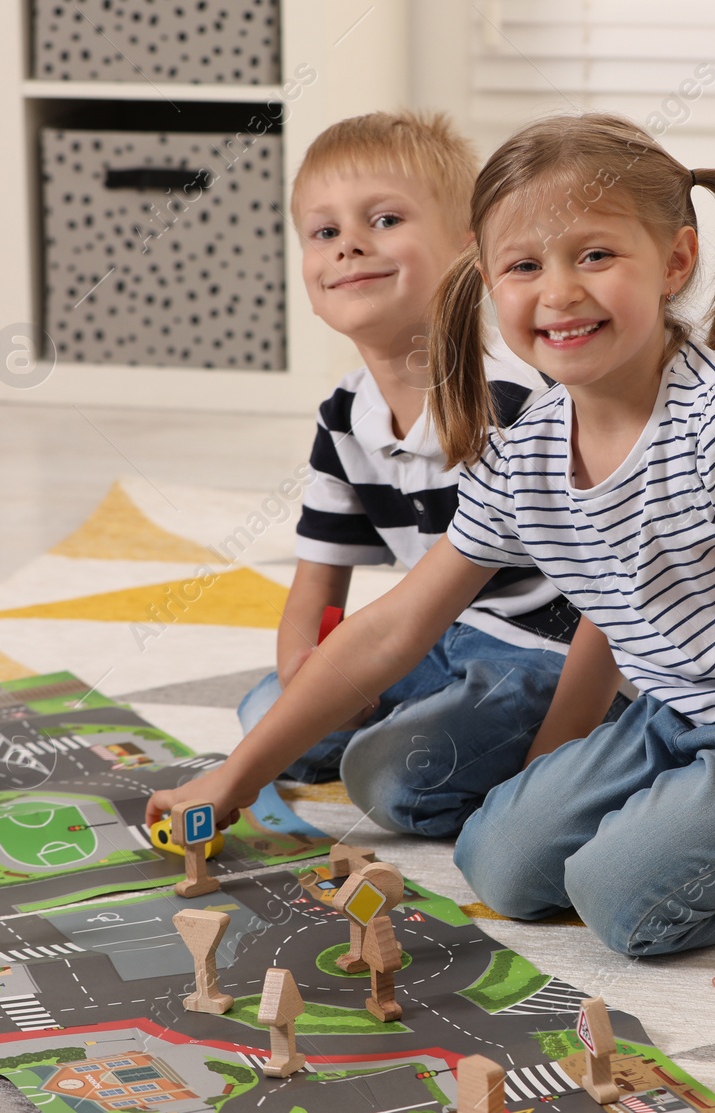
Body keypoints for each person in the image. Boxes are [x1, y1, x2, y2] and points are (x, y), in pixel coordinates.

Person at [151, 112, 715, 1017]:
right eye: (525, 267)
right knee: (500, 861)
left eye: (595, 255)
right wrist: (236, 777)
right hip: (677, 707)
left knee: (626, 903)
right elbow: (399, 625)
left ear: (676, 261)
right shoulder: (527, 446)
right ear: (488, 282)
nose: (558, 292)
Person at [229, 109, 621, 836]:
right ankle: (432, 719)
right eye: (324, 232)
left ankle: (608, 750)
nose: (349, 244)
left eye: (383, 220)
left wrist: (555, 747)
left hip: (544, 651)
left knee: (391, 780)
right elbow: (318, 585)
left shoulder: (514, 398)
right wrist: (301, 668)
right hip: (436, 635)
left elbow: (608, 592)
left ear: (470, 252)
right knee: (266, 710)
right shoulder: (347, 412)